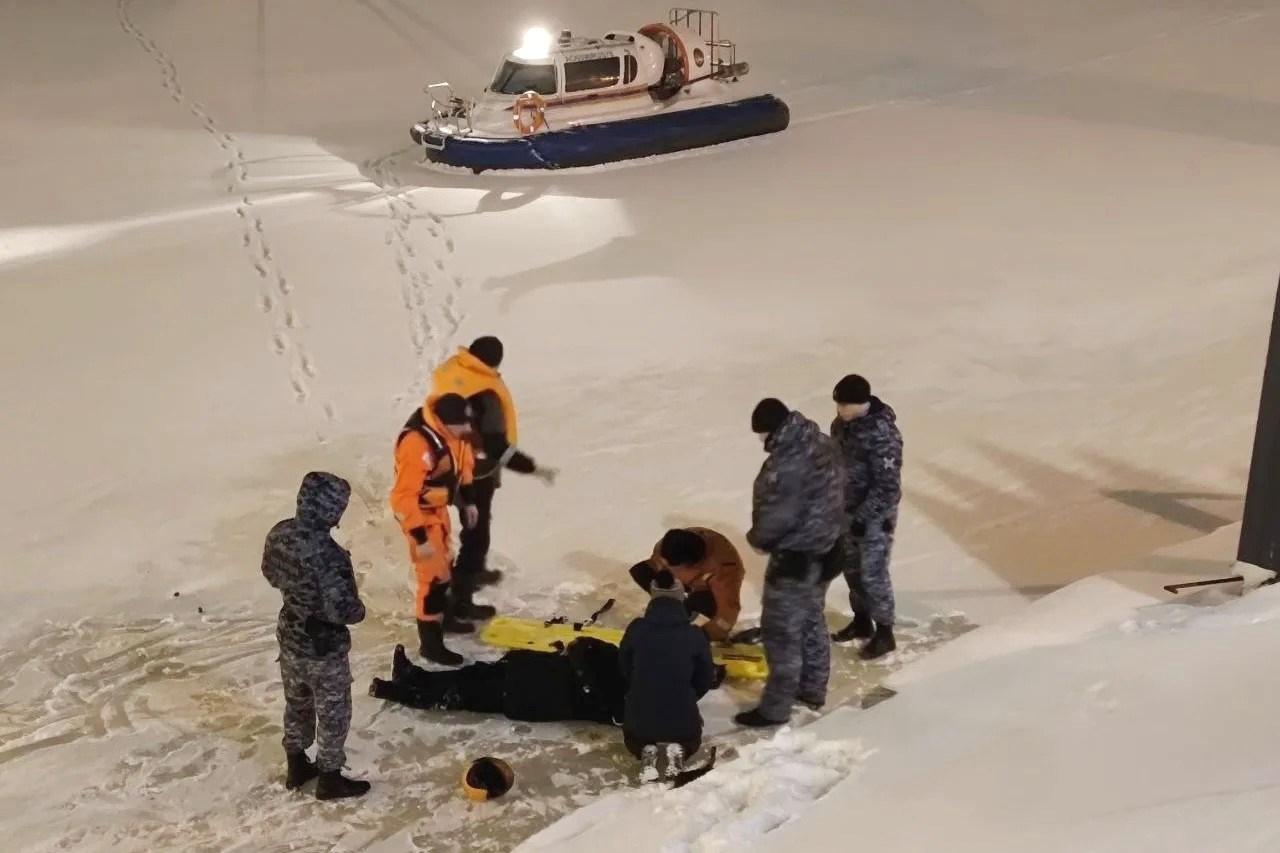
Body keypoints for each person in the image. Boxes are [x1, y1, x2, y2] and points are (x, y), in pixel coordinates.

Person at [428, 336, 557, 621]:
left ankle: (473, 571)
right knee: (476, 535)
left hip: (449, 462)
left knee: (474, 525)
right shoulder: (485, 393)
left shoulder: (455, 372)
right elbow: (496, 445)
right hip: (475, 473)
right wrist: (532, 468)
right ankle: (461, 600)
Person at [735, 399, 845, 728]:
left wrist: (758, 539)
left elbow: (775, 517)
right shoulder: (822, 442)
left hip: (795, 559)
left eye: (761, 434)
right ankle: (813, 688)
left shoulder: (784, 464)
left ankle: (775, 709)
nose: (760, 441)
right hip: (830, 549)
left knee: (781, 633)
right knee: (811, 617)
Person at [261, 471, 370, 800]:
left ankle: (296, 765)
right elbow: (344, 611)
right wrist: (359, 610)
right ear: (331, 510)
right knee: (333, 713)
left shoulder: (279, 533)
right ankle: (330, 779)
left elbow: (270, 574)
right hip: (324, 649)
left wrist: (299, 596)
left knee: (297, 704)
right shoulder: (330, 556)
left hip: (290, 637)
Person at [390, 393, 481, 666]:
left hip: (438, 510)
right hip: (420, 516)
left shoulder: (454, 433)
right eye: (463, 425)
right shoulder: (417, 445)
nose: (468, 430)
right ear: (445, 423)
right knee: (432, 579)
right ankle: (431, 645)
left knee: (446, 565)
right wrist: (419, 538)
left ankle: (447, 618)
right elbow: (402, 498)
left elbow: (464, 465)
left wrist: (468, 502)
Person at [368, 636, 625, 726]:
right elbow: (585, 647)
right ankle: (413, 676)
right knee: (469, 675)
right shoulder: (628, 662)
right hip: (529, 670)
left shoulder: (626, 703)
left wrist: (582, 664)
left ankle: (401, 693)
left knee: (464, 693)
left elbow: (602, 699)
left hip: (532, 695)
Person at [828, 375, 904, 660]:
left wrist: (864, 517)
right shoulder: (841, 426)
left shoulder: (883, 435)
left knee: (873, 573)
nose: (840, 410)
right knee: (851, 569)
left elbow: (888, 487)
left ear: (862, 403)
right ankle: (861, 620)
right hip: (846, 510)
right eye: (838, 404)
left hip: (875, 516)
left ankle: (885, 632)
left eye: (845, 405)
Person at [619, 571, 717, 779]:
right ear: (680, 598)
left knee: (634, 735)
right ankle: (681, 748)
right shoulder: (694, 634)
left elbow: (624, 666)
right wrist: (688, 694)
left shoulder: (637, 629)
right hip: (682, 718)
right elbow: (706, 676)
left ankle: (645, 749)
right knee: (691, 736)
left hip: (640, 717)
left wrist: (639, 686)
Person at [627, 528, 745, 642]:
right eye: (664, 564)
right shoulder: (665, 546)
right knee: (641, 572)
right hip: (691, 577)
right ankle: (678, 609)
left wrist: (698, 638)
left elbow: (726, 616)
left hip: (705, 589)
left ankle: (691, 608)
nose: (664, 568)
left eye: (670, 567)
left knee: (709, 608)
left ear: (693, 566)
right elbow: (657, 565)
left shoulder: (724, 572)